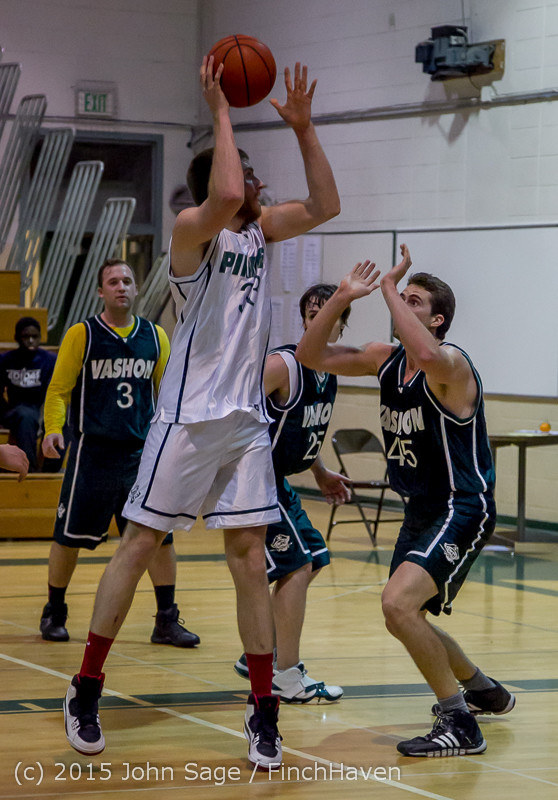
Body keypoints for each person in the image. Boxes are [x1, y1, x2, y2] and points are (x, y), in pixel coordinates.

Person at [62, 57, 339, 767]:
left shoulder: (258, 232)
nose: (254, 184)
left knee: (249, 559)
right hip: (185, 418)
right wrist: (221, 105)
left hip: (244, 421)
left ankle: (264, 709)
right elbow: (220, 193)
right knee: (139, 544)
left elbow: (326, 205)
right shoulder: (193, 229)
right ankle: (86, 685)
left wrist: (305, 130)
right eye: (246, 173)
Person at [296, 246, 515, 758]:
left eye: (413, 301)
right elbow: (311, 355)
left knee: (397, 604)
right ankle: (481, 688)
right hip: (420, 508)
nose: (398, 305)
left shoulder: (451, 365)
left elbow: (431, 356)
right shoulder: (384, 359)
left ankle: (460, 722)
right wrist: (345, 296)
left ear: (436, 320)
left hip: (463, 504)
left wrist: (390, 286)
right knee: (403, 613)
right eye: (399, 297)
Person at [40, 258, 199, 652]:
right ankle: (54, 610)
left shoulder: (155, 336)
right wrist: (53, 431)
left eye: (127, 280)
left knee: (159, 539)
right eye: (113, 281)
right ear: (101, 291)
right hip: (92, 453)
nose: (121, 287)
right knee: (68, 537)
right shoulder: (83, 334)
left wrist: (176, 444)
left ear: (137, 288)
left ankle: (166, 620)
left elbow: (167, 394)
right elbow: (59, 389)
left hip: (141, 455)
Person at [234, 283, 350, 703]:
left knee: (314, 558)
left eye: (328, 314)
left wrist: (318, 470)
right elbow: (232, 405)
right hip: (255, 480)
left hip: (279, 480)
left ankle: (260, 650)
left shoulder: (331, 368)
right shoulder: (283, 364)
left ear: (340, 325)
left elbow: (302, 427)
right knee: (295, 567)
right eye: (311, 312)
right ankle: (285, 674)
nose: (316, 320)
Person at [0, 317, 57, 472]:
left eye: (35, 337)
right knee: (25, 416)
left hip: (39, 409)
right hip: (13, 410)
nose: (31, 341)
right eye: (26, 337)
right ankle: (29, 469)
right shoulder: (5, 360)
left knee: (61, 421)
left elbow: (55, 392)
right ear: (17, 338)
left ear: (40, 337)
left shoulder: (49, 361)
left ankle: (49, 471)